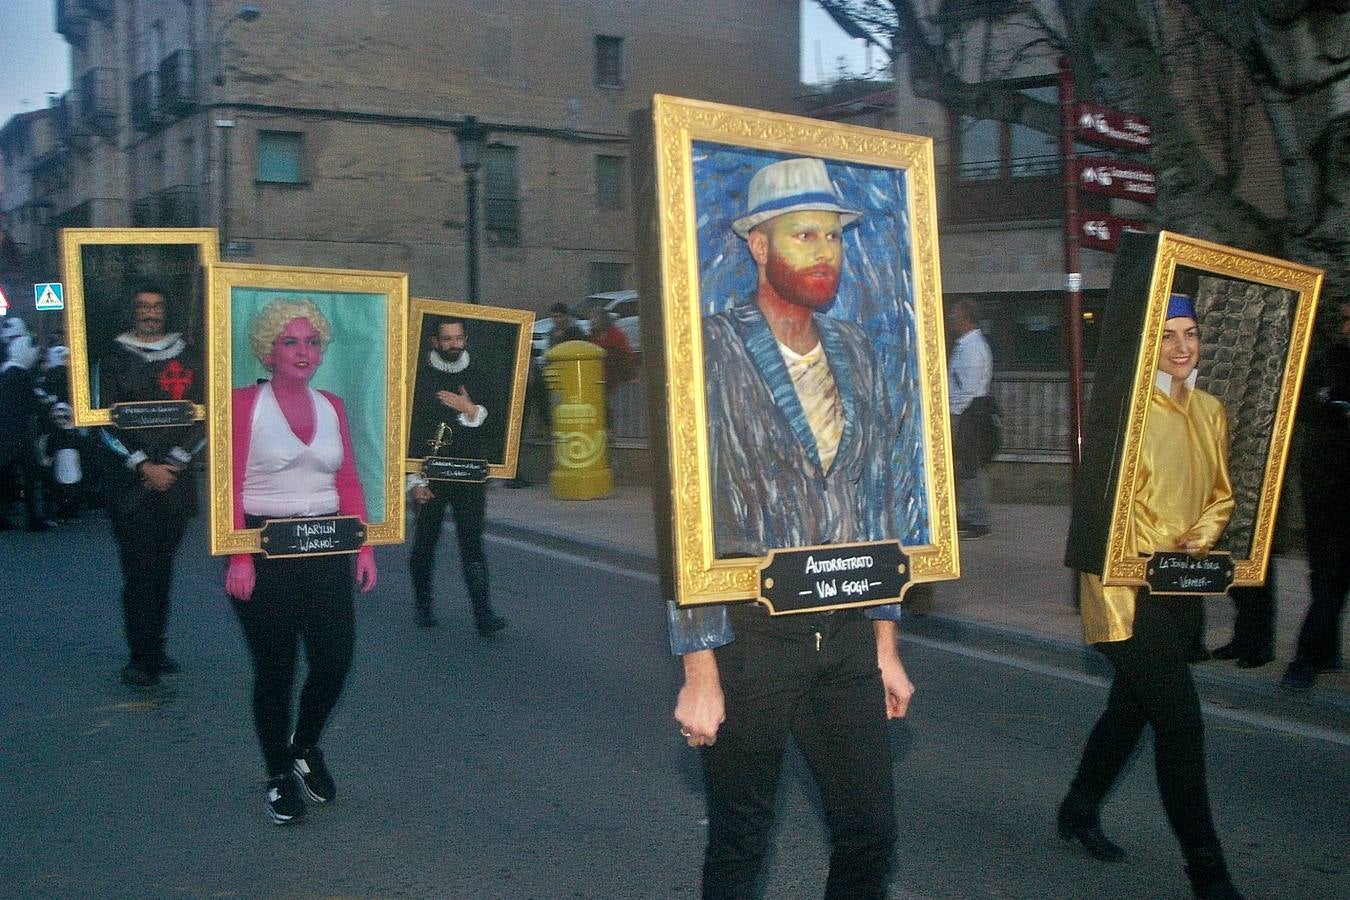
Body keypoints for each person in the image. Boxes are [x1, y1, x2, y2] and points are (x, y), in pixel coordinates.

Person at [671, 157, 914, 899]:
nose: (824, 252)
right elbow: (688, 517)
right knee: (741, 842)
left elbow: (873, 503)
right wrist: (699, 671)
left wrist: (885, 645)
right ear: (757, 244)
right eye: (804, 234)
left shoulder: (859, 352)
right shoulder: (705, 351)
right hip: (750, 638)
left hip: (843, 639)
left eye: (834, 236)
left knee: (870, 831)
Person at [1060, 294, 1244, 900]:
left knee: (1131, 709)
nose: (1183, 347)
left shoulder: (1213, 409)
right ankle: (1207, 871)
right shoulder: (1126, 413)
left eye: (1191, 334)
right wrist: (1153, 554)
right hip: (1124, 590)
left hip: (1182, 587)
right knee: (1181, 720)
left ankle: (1078, 808)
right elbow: (1107, 508)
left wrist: (1201, 538)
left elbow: (1220, 494)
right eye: (1168, 336)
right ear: (1149, 344)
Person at [226, 297, 377, 825]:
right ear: (268, 350)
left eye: (311, 341)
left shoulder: (332, 405)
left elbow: (348, 480)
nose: (303, 351)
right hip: (264, 553)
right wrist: (240, 556)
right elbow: (227, 485)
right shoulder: (242, 403)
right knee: (276, 671)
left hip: (327, 550)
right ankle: (276, 775)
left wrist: (364, 545)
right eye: (290, 341)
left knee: (334, 663)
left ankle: (304, 744)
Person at [99, 285, 203, 686]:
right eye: (142, 306)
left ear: (167, 311)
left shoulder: (189, 356)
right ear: (132, 311)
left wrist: (175, 462)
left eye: (157, 306)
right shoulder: (112, 357)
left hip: (174, 482)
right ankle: (140, 656)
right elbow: (101, 419)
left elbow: (204, 415)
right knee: (139, 569)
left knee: (162, 568)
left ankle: (157, 647)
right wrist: (142, 464)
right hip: (130, 485)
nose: (150, 313)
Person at [406, 317, 506, 635]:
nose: (453, 344)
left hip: (469, 476)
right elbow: (406, 430)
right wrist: (413, 479)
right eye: (446, 339)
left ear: (465, 339)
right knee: (425, 543)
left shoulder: (479, 375)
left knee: (472, 544)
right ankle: (423, 605)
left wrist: (470, 408)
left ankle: (483, 613)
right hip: (430, 478)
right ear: (435, 341)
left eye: (458, 338)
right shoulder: (418, 378)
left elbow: (498, 425)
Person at [1280, 299, 1350, 692]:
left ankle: (1321, 652)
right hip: (1329, 491)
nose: (1346, 328)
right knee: (1326, 579)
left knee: (1333, 579)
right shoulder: (1327, 362)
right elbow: (1305, 407)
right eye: (1344, 320)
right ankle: (1310, 655)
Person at [947, 297, 994, 540]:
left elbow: (968, 389)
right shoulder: (965, 345)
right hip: (965, 411)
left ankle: (979, 519)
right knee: (965, 466)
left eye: (954, 314)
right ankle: (971, 514)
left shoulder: (973, 348)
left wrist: (953, 414)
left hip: (968, 413)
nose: (951, 319)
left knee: (970, 466)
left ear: (965, 317)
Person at [0, 331, 51, 531]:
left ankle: (4, 519)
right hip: (20, 433)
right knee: (31, 473)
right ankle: (34, 519)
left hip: (5, 431)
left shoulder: (6, 372)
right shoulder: (21, 374)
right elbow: (33, 405)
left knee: (4, 474)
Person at [587, 307, 637, 393]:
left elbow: (626, 356)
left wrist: (630, 376)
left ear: (603, 319)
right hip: (597, 381)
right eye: (590, 318)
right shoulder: (590, 337)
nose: (592, 321)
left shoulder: (616, 335)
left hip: (616, 382)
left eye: (595, 317)